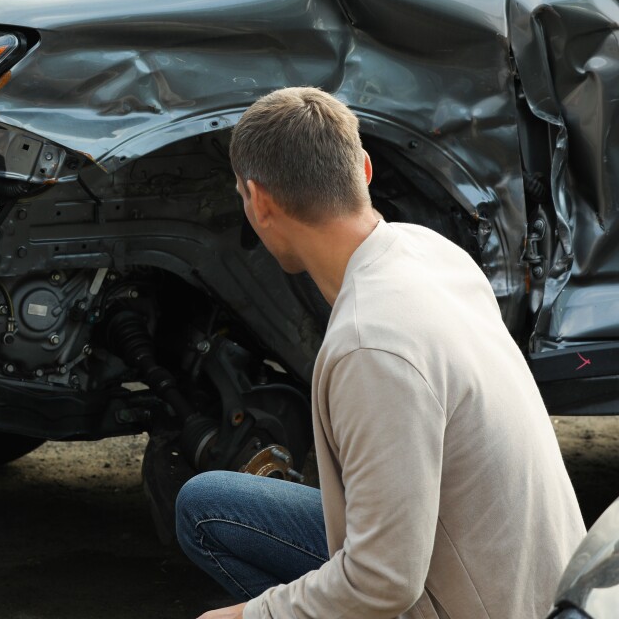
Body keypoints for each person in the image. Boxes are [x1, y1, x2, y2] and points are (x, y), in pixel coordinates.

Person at [177, 88, 585, 619]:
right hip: (541, 583)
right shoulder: (429, 251)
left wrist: (246, 617)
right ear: (364, 169)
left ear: (258, 200)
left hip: (489, 607)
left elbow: (383, 583)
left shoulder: (372, 345)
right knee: (207, 507)